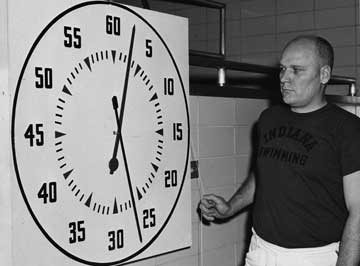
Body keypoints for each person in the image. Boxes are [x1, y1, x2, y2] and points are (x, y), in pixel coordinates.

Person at [199, 35, 360, 266]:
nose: (285, 78)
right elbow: (264, 173)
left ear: (324, 75)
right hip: (260, 251)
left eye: (297, 70)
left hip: (314, 258)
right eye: (283, 69)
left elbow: (358, 211)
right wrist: (230, 207)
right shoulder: (269, 118)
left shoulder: (347, 128)